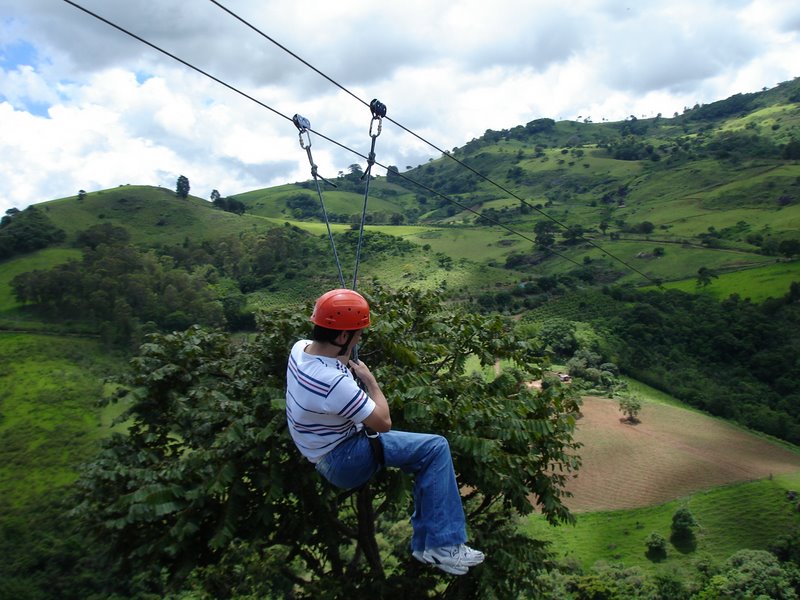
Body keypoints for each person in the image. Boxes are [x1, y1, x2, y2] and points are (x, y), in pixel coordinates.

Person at [285, 288, 485, 575]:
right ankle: (442, 545)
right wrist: (371, 382)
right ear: (341, 337)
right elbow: (383, 422)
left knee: (425, 454)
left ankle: (427, 545)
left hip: (317, 451)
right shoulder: (331, 383)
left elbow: (332, 366)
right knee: (435, 448)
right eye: (357, 335)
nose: (359, 340)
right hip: (343, 460)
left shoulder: (299, 349)